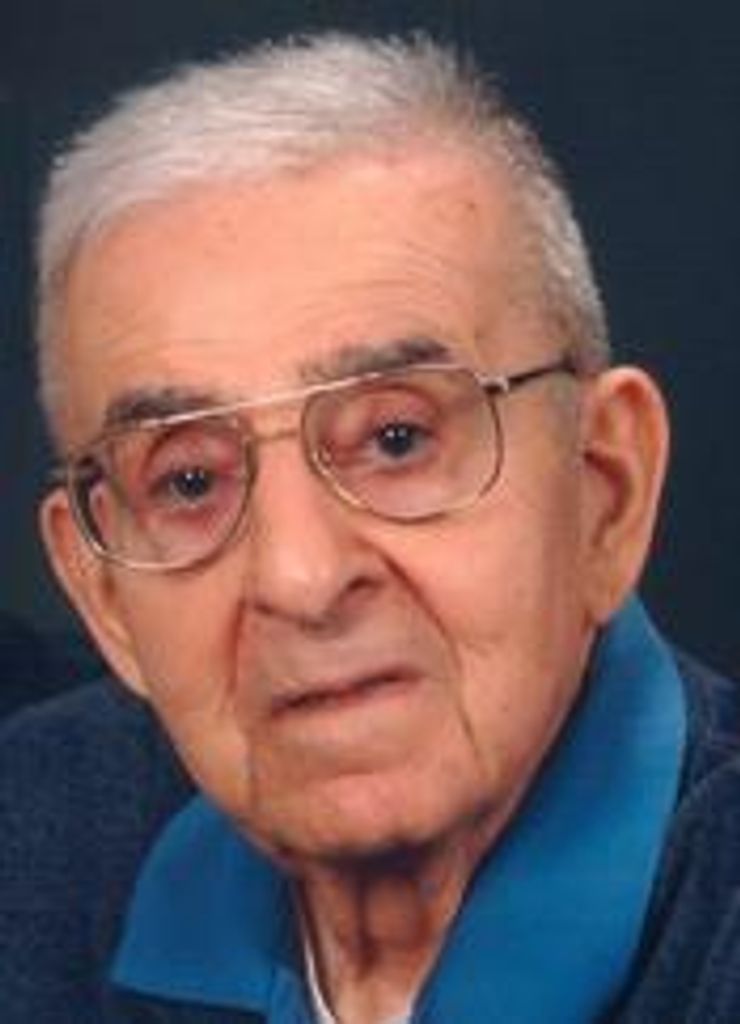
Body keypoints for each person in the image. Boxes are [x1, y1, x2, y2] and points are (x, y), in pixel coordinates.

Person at [3, 30, 740, 1024]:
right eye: (188, 480)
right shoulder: (31, 839)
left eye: (396, 438)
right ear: (103, 596)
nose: (300, 577)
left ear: (605, 492)